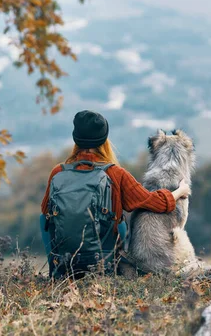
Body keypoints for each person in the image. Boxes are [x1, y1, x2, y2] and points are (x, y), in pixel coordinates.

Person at [40, 110, 191, 277]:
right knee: (119, 220)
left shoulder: (58, 172)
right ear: (104, 140)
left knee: (45, 218)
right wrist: (179, 192)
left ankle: (56, 272)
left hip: (65, 259)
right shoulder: (116, 173)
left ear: (75, 139)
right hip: (100, 260)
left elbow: (45, 209)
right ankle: (110, 267)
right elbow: (153, 201)